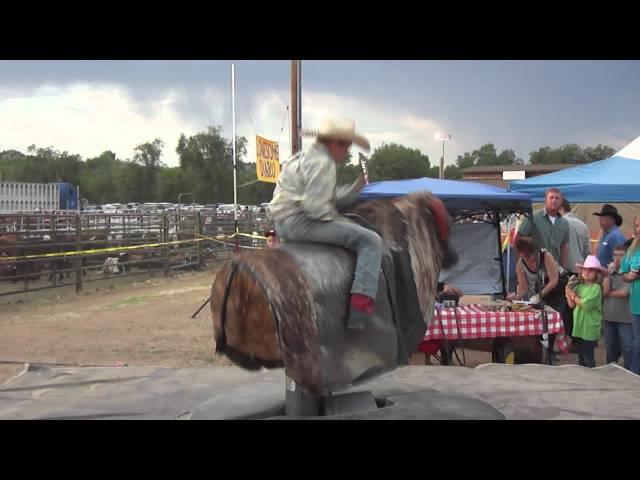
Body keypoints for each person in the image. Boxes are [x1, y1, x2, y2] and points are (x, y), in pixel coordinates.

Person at [268, 119, 383, 330]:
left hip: (281, 222)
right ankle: (361, 308)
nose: (347, 152)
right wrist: (340, 217)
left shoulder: (298, 159)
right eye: (346, 146)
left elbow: (311, 195)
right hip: (300, 223)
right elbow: (316, 209)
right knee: (370, 241)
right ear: (334, 144)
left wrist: (348, 192)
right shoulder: (324, 163)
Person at [565, 255, 608, 368]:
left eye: (591, 270)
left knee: (588, 358)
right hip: (579, 326)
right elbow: (571, 305)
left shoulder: (596, 288)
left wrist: (572, 295)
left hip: (589, 328)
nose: (587, 272)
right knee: (581, 358)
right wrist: (568, 291)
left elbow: (586, 305)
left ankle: (592, 380)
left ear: (597, 274)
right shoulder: (579, 287)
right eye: (585, 269)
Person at [517, 188, 570, 271]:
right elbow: (518, 240)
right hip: (535, 269)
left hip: (554, 270)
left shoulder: (564, 223)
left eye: (557, 198)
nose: (554, 200)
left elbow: (564, 247)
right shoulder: (533, 218)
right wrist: (521, 266)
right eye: (551, 198)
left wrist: (564, 268)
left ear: (561, 202)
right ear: (545, 200)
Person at [602, 244, 632, 370]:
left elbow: (625, 293)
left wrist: (610, 293)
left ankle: (630, 371)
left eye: (621, 255)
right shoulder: (609, 271)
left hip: (625, 317)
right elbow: (605, 291)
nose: (617, 258)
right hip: (609, 315)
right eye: (615, 255)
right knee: (610, 346)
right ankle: (610, 369)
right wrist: (607, 274)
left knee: (627, 347)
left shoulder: (629, 272)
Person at [620, 215, 640, 374]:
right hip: (637, 303)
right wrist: (630, 276)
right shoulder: (632, 250)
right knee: (638, 342)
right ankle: (635, 376)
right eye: (638, 226)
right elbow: (624, 274)